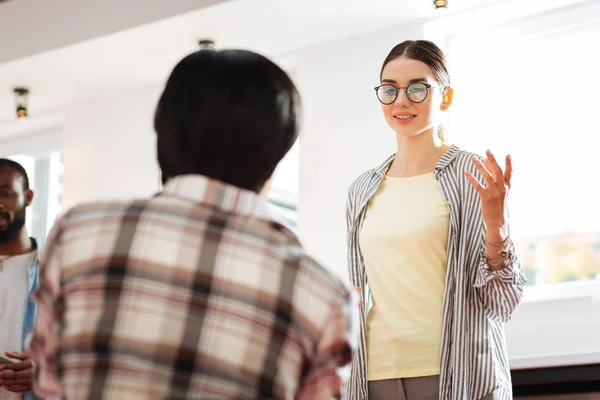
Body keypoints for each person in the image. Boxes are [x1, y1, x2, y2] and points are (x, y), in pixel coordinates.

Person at [28, 49, 355, 399]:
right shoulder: (320, 294)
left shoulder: (78, 233)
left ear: (162, 133)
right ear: (279, 152)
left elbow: (48, 383)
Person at [345, 40, 527, 400]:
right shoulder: (361, 190)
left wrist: (497, 229)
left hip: (459, 375)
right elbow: (357, 296)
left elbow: (503, 302)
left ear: (445, 97)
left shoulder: (472, 176)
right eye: (389, 89)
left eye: (417, 88)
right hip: (374, 376)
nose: (401, 101)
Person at [0, 159, 44, 400]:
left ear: (27, 196)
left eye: (6, 193)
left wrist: (44, 371)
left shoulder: (52, 270)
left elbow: (81, 347)